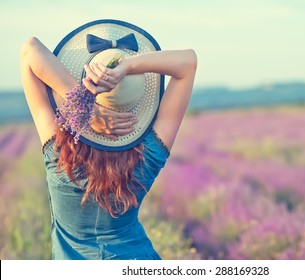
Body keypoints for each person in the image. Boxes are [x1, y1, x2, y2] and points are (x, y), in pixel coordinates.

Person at [20, 20, 197, 260]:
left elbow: (30, 50)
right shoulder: (150, 152)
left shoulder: (59, 148)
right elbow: (188, 63)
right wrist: (127, 67)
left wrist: (85, 107)